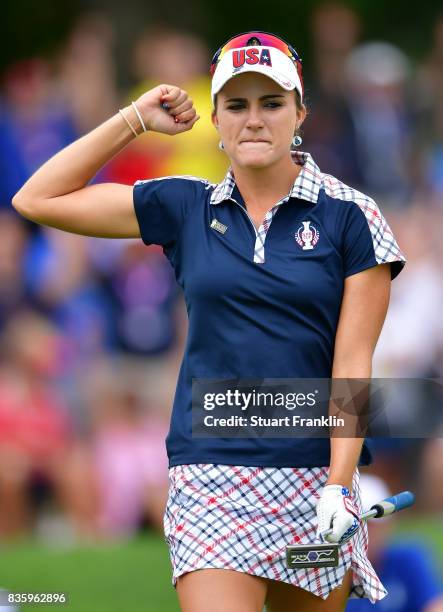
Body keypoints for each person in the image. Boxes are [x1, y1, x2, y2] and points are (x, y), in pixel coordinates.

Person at [12, 30, 406, 612]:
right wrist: (134, 119)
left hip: (314, 480)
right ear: (215, 118)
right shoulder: (186, 206)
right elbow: (37, 199)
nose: (254, 120)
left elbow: (352, 366)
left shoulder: (352, 216)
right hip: (210, 480)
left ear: (300, 112)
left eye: (272, 104)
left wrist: (338, 487)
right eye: (237, 105)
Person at [346, 473, 443, 612]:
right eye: (354, 527)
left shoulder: (407, 559)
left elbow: (436, 606)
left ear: (387, 526)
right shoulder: (325, 573)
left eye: (371, 525)